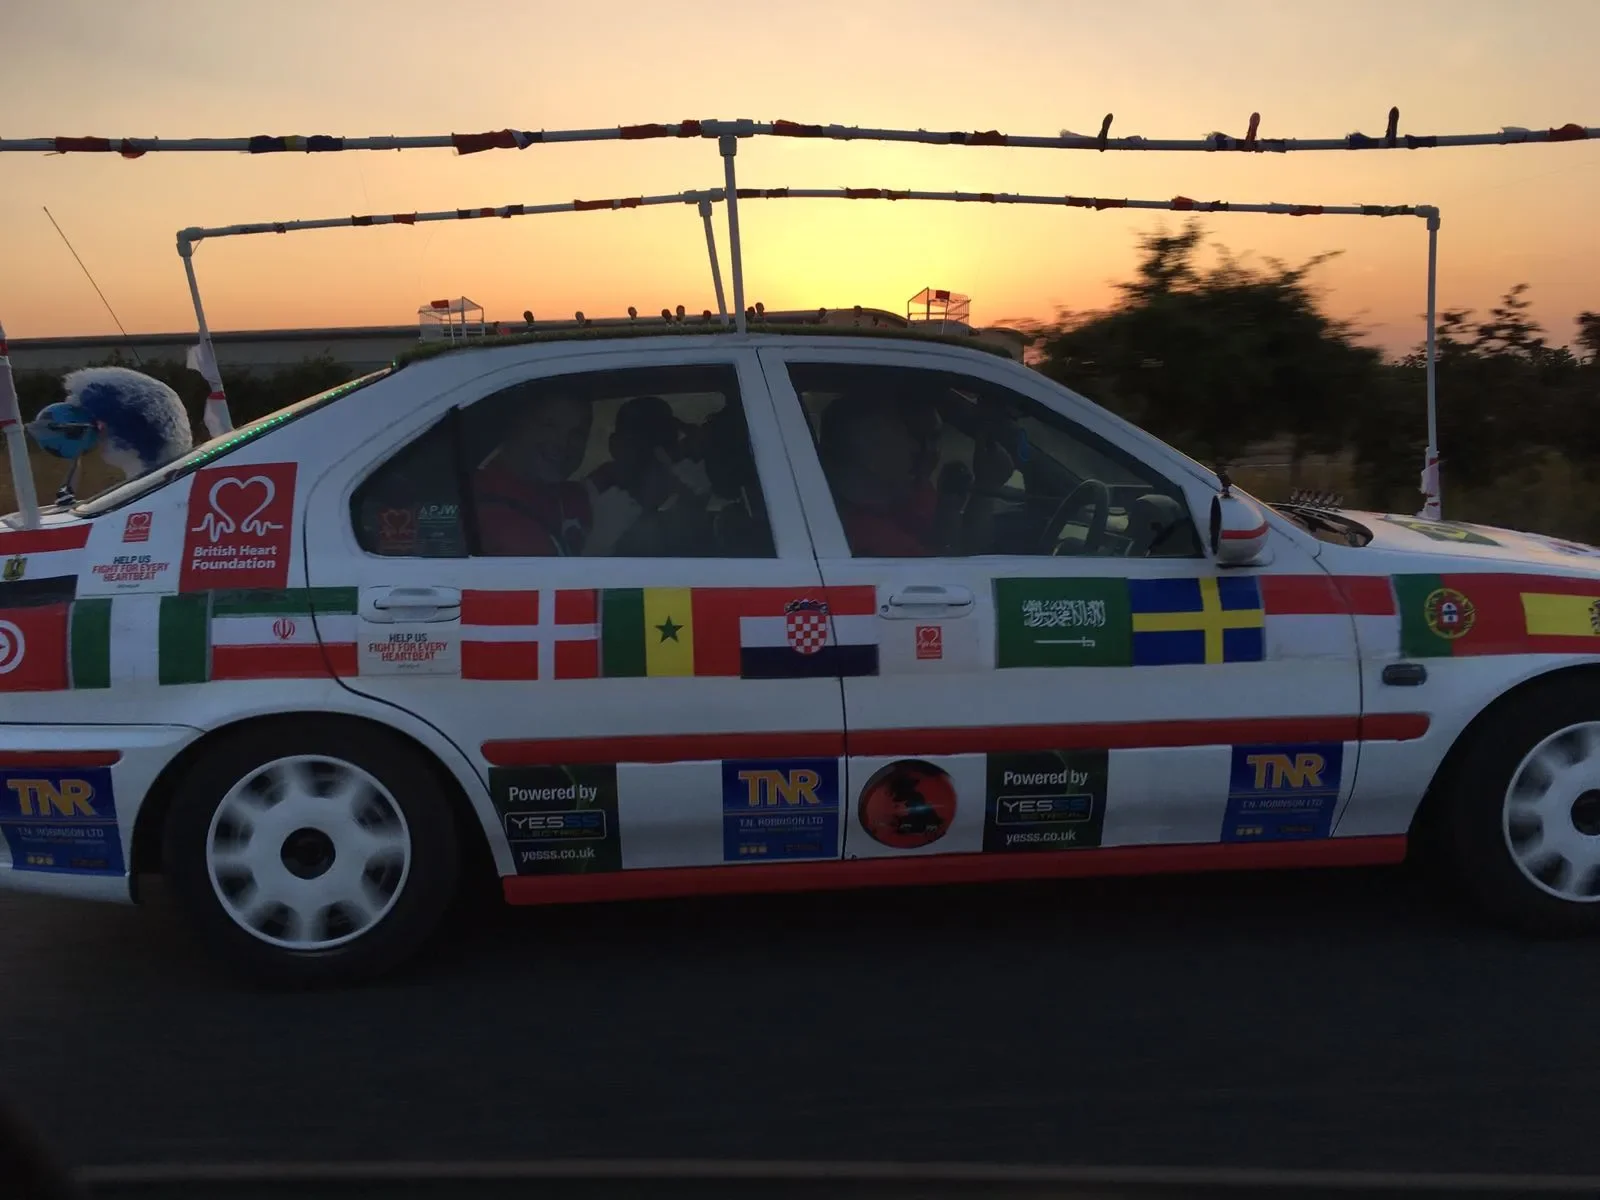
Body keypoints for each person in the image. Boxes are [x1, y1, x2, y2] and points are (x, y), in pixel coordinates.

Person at [820, 392, 1012, 557]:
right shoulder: (862, 533)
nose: (926, 451)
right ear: (863, 445)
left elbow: (950, 545)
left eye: (934, 438)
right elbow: (957, 572)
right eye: (910, 437)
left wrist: (949, 508)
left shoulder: (909, 491)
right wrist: (987, 489)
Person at [585, 395, 713, 556]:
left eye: (664, 443)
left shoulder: (680, 502)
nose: (655, 455)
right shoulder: (585, 507)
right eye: (638, 442)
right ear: (615, 445)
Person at [472, 391, 596, 555]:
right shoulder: (472, 499)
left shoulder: (578, 498)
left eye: (577, 433)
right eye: (549, 426)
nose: (562, 443)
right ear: (516, 425)